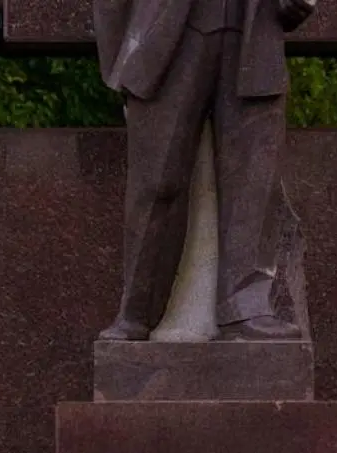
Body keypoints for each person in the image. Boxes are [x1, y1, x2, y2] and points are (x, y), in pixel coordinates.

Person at [93, 0, 316, 341]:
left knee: (254, 178)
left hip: (254, 26)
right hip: (169, 32)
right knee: (158, 181)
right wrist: (121, 55)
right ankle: (137, 310)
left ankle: (246, 305)